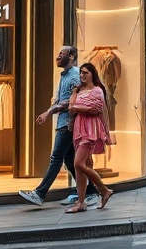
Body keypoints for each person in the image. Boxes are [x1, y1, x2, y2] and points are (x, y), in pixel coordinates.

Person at [19, 46, 99, 207]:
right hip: (64, 122)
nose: (58, 57)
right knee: (70, 161)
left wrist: (49, 111)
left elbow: (71, 100)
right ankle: (91, 192)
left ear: (71, 56)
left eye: (61, 54)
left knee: (56, 158)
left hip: (69, 124)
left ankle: (39, 193)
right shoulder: (65, 75)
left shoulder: (76, 75)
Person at [65, 62, 115, 213]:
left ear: (92, 74)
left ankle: (104, 190)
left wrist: (77, 107)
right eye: (81, 73)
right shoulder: (79, 91)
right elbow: (70, 109)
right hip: (78, 129)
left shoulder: (97, 90)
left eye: (85, 73)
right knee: (81, 167)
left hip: (90, 130)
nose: (82, 75)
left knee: (78, 163)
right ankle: (81, 202)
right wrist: (75, 96)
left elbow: (96, 109)